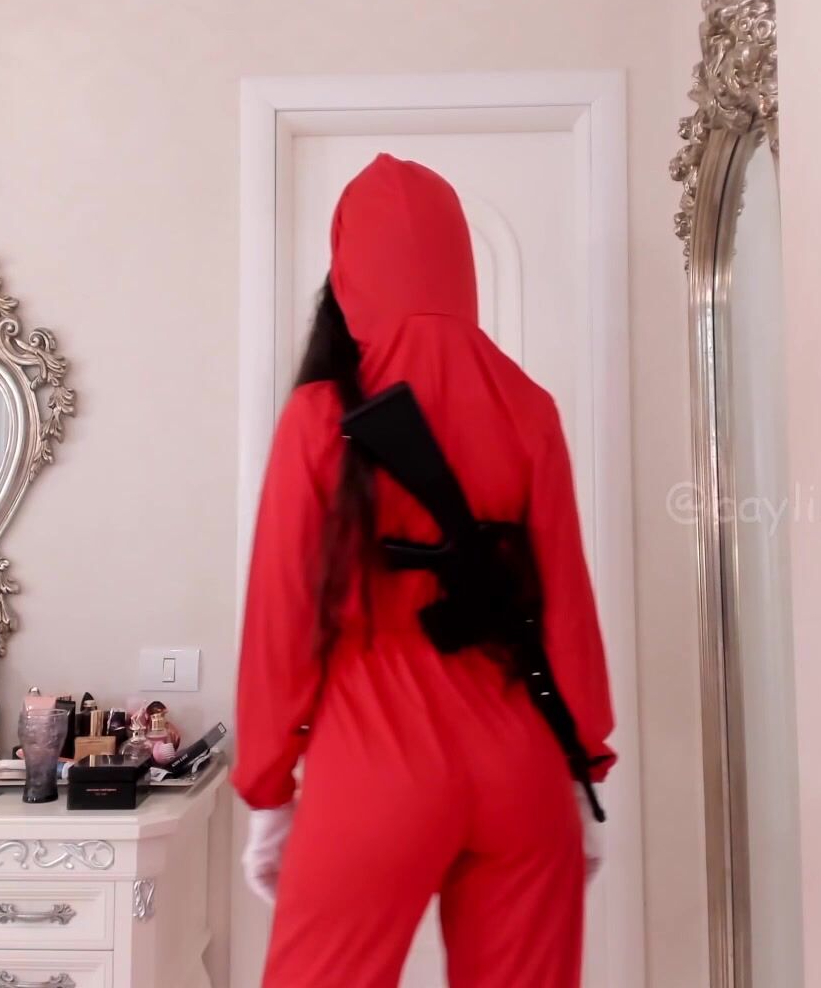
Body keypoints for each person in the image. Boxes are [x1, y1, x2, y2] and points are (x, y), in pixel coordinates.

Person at [235, 154, 616, 987]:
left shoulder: (321, 414)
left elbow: (280, 620)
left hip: (375, 767)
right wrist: (582, 762)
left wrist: (267, 790)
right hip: (522, 769)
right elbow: (567, 606)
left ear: (348, 275)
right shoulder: (529, 408)